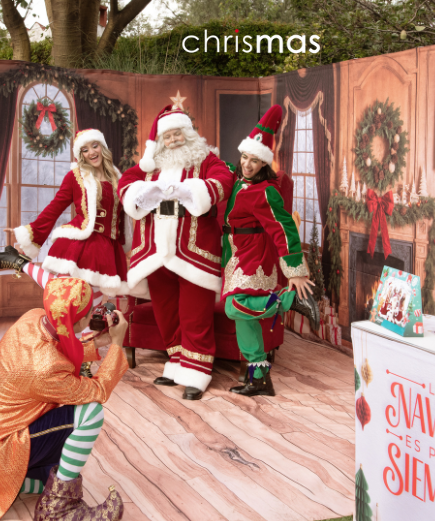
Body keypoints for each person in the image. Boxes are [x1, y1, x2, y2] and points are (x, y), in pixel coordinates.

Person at [0, 277, 130, 521]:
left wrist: (99, 342)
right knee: (91, 414)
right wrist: (117, 345)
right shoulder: (46, 369)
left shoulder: (33, 318)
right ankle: (57, 510)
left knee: (49, 477)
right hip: (0, 447)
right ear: (79, 321)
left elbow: (60, 346)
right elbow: (98, 390)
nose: (90, 316)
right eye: (88, 313)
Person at [118, 104, 236, 401]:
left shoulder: (205, 159)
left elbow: (224, 180)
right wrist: (140, 192)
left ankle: (197, 372)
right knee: (166, 312)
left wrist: (193, 190)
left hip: (193, 252)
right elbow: (126, 182)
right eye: (167, 136)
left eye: (177, 134)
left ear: (188, 133)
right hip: (155, 251)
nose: (172, 141)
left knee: (195, 314)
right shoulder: (151, 164)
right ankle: (177, 363)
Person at [0, 130, 129, 359]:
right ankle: (19, 262)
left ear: (102, 146)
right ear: (80, 154)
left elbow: (124, 218)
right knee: (63, 294)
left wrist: (127, 247)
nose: (91, 152)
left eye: (94, 146)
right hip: (80, 243)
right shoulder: (75, 177)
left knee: (91, 307)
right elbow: (55, 207)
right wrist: (28, 234)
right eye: (85, 149)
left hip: (106, 249)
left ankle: (84, 360)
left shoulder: (117, 178)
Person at [219, 105, 320, 396]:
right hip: (236, 255)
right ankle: (259, 379)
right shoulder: (237, 180)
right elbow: (217, 165)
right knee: (245, 320)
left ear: (264, 163)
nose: (247, 164)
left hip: (254, 255)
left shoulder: (265, 191)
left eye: (255, 161)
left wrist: (295, 270)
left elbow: (284, 228)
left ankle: (290, 301)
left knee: (233, 306)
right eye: (245, 157)